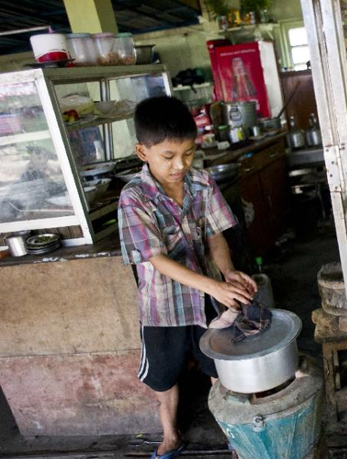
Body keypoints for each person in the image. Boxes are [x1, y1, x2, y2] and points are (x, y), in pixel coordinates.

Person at [118, 96, 257, 459]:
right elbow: (157, 259)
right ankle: (170, 435)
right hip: (162, 306)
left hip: (209, 301)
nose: (180, 165)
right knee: (163, 377)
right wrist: (215, 285)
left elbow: (215, 234)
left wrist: (227, 272)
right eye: (168, 157)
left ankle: (234, 433)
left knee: (218, 366)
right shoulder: (134, 197)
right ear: (142, 151)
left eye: (189, 153)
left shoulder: (201, 181)